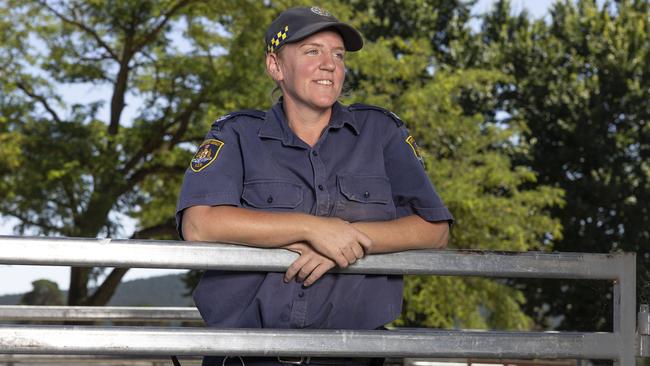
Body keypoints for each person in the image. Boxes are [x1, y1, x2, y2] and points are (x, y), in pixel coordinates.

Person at [176, 6, 453, 366]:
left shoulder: (381, 132)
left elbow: (434, 228)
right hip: (248, 357)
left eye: (338, 54)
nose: (330, 64)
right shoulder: (237, 135)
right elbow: (199, 225)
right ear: (275, 66)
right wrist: (311, 229)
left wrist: (344, 240)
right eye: (312, 51)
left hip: (354, 356)